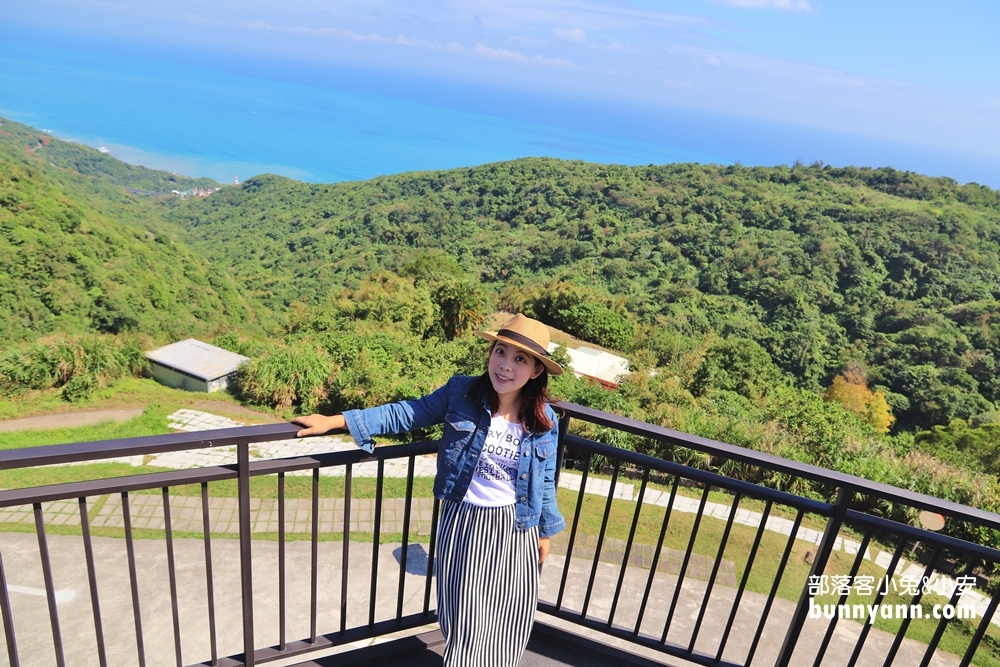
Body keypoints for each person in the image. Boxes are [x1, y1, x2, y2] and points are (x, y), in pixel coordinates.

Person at [292, 313, 566, 667]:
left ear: (535, 371)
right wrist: (338, 420)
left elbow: (544, 479)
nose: (505, 366)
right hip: (465, 521)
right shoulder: (461, 392)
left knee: (508, 617)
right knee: (464, 617)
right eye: (500, 351)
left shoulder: (543, 418)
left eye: (519, 359)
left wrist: (545, 531)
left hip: (516, 528)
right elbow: (409, 413)